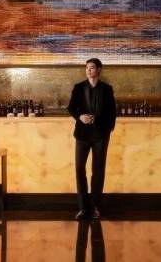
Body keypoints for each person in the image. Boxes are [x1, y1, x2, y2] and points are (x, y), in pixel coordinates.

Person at [67, 58, 117, 220]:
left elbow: (112, 112)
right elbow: (70, 107)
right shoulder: (78, 87)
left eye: (92, 67)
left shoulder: (107, 89)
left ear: (99, 70)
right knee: (79, 169)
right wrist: (80, 116)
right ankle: (83, 208)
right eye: (87, 68)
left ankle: (95, 208)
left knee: (98, 171)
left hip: (100, 135)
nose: (88, 70)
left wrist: (104, 126)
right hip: (82, 135)